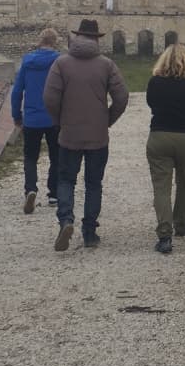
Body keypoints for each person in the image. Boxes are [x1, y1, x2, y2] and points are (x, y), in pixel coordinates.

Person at [43, 19, 129, 251]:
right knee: (93, 183)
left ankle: (65, 220)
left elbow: (50, 98)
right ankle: (90, 232)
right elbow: (121, 97)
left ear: (76, 37)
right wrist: (107, 120)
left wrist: (60, 121)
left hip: (69, 134)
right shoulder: (107, 65)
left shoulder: (61, 64)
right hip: (97, 136)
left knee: (66, 180)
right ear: (96, 39)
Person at [145, 44, 185, 254]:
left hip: (160, 135)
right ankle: (180, 222)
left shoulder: (155, 82)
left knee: (161, 186)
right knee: (184, 182)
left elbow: (151, 104)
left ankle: (164, 233)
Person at [11, 28, 62, 213]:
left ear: (40, 41)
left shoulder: (27, 61)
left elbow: (17, 91)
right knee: (56, 156)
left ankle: (30, 189)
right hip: (54, 117)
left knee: (30, 157)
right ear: (55, 42)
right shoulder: (59, 61)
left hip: (31, 118)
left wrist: (17, 115)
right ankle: (54, 193)